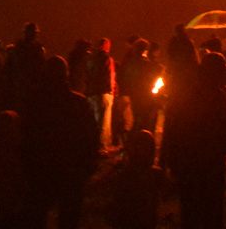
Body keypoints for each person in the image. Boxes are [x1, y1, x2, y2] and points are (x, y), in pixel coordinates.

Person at [162, 53, 226, 229]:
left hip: (190, 163)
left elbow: (170, 127)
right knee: (209, 211)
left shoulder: (185, 92)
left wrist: (165, 161)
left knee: (192, 211)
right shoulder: (216, 97)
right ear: (214, 73)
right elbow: (224, 130)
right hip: (206, 163)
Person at [22, 57, 98, 229]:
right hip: (70, 170)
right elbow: (91, 137)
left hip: (41, 169)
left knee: (37, 214)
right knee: (68, 217)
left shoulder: (34, 102)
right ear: (67, 75)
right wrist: (88, 165)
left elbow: (26, 135)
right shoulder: (78, 102)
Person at [107, 130, 165, 229]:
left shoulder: (154, 175)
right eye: (140, 147)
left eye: (145, 148)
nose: (142, 151)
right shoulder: (126, 175)